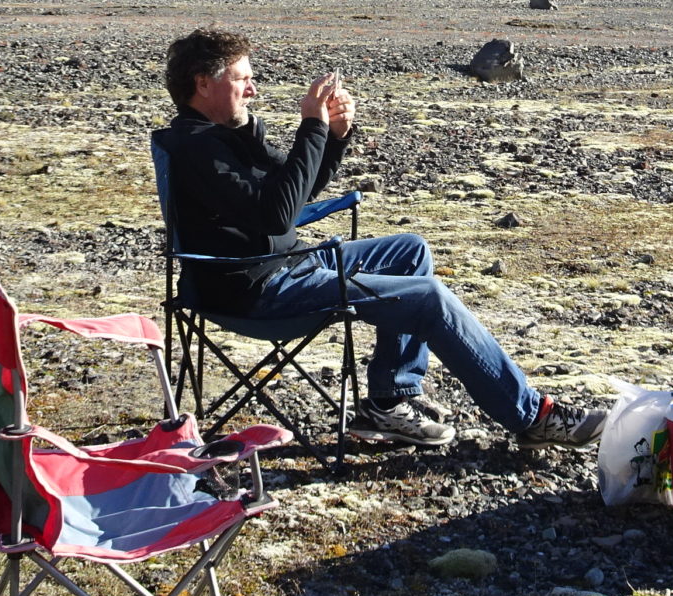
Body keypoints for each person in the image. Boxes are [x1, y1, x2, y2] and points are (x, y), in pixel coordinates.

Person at [157, 28, 607, 450]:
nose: (253, 89)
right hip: (254, 291)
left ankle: (390, 401)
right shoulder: (198, 148)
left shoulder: (227, 136)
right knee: (427, 298)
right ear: (203, 84)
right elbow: (278, 215)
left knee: (409, 251)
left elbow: (300, 191)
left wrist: (333, 137)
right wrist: (311, 126)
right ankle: (532, 416)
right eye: (243, 79)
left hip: (286, 266)